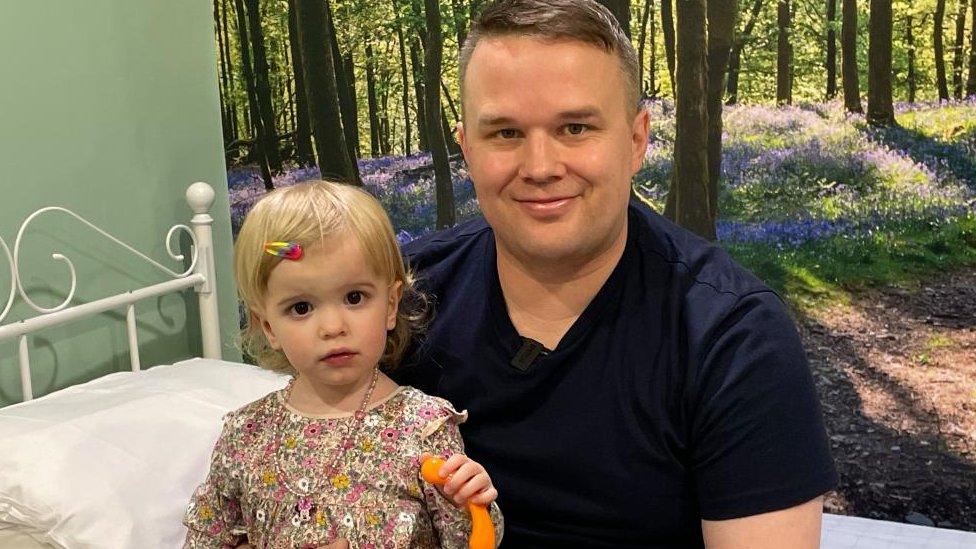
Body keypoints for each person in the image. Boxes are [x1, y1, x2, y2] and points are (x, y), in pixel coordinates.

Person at [393, 1, 837, 547]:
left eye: (575, 127)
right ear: (466, 147)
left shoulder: (732, 337)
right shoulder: (406, 299)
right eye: (505, 134)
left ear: (635, 140)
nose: (539, 167)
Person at [183, 181, 503, 548]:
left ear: (391, 305)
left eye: (355, 298)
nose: (333, 327)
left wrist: (470, 503)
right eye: (301, 308)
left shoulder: (424, 429)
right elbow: (206, 539)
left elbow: (469, 541)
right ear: (268, 327)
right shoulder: (246, 435)